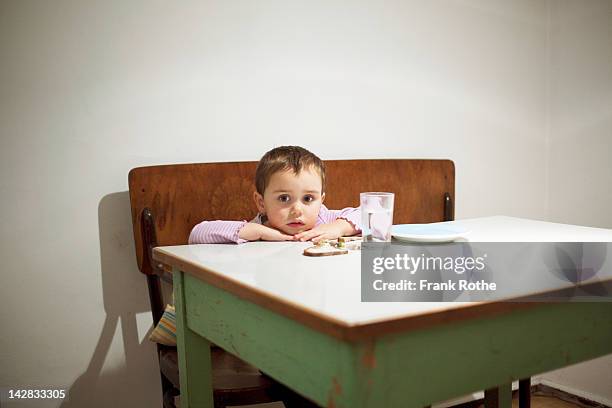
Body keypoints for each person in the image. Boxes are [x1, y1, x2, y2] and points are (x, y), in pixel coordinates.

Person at [188, 146, 361, 244]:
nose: (297, 210)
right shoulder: (259, 227)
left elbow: (373, 216)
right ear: (261, 202)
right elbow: (197, 234)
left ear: (321, 200)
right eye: (284, 198)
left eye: (308, 199)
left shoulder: (323, 220)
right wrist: (257, 231)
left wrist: (339, 227)